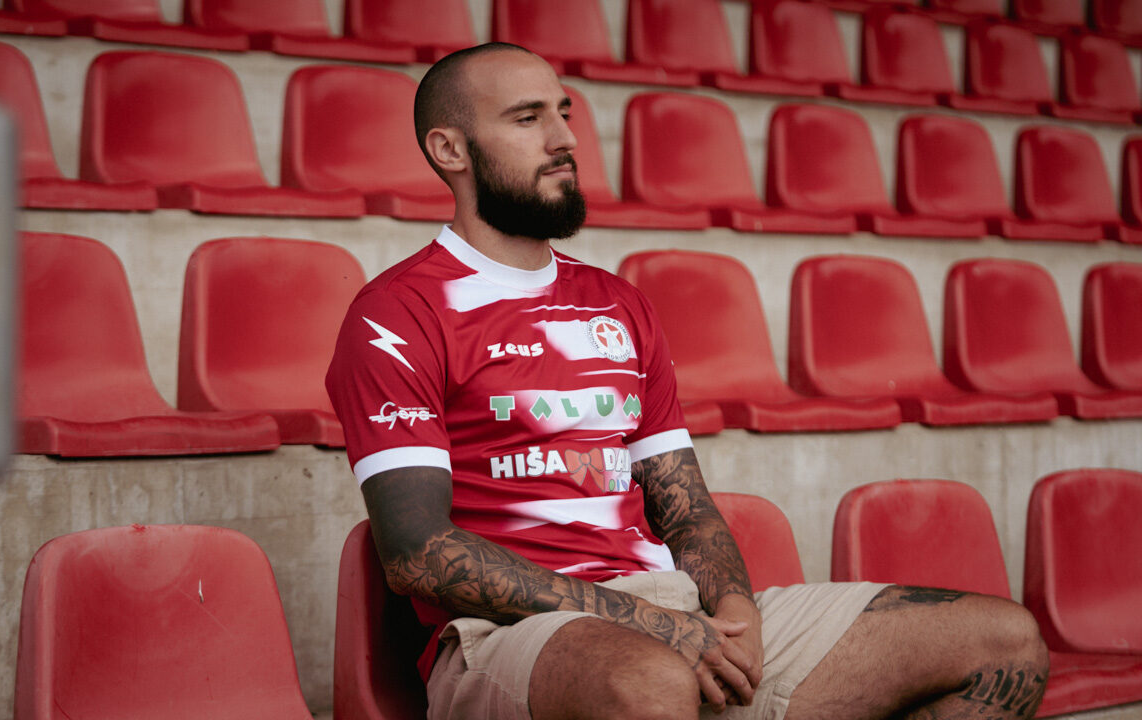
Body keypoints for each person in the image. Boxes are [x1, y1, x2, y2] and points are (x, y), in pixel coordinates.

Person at [326, 42, 1049, 720]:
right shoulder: (397, 312)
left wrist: (734, 612)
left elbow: (687, 508)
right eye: (527, 118)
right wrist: (654, 627)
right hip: (510, 635)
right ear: (449, 150)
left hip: (672, 611)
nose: (565, 138)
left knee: (1004, 644)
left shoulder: (618, 303)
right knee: (652, 682)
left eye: (564, 113)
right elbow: (417, 553)